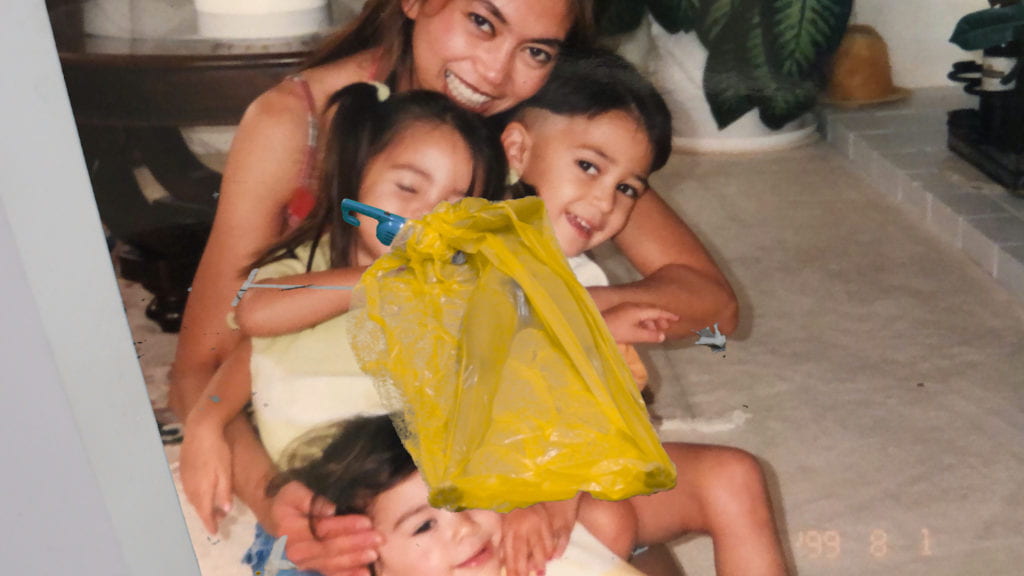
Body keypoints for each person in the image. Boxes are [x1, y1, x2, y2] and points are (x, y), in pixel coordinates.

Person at [171, 0, 736, 572]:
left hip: (493, 457)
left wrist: (546, 310)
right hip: (354, 480)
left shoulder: (538, 116)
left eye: (536, 50)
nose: (494, 73)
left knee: (616, 538)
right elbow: (206, 361)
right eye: (482, 22)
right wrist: (274, 498)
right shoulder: (303, 122)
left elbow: (712, 303)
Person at [489, 49, 788, 576]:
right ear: (516, 148)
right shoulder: (475, 251)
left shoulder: (578, 271)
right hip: (509, 482)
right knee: (609, 524)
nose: (605, 203)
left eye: (627, 188)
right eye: (588, 168)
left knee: (734, 476)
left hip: (587, 462)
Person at [178, 81, 508, 540]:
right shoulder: (308, 269)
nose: (425, 218)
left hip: (418, 497)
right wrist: (208, 420)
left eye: (455, 208)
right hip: (318, 498)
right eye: (408, 187)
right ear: (354, 181)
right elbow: (254, 323)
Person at [248, 414, 646, 576]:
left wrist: (544, 497)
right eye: (424, 525)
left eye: (468, 496)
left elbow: (612, 509)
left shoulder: (543, 549)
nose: (466, 527)